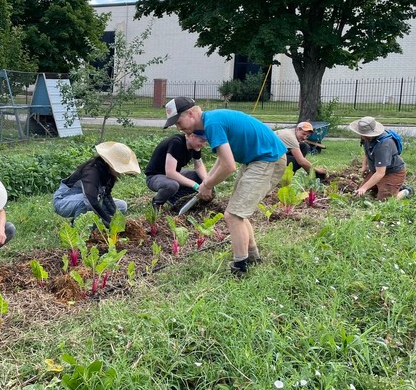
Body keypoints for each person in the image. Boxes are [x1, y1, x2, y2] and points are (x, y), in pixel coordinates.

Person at [163, 97, 287, 276]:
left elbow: (229, 166)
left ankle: (240, 267)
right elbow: (222, 160)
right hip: (255, 160)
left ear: (190, 114)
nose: (179, 128)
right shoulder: (211, 121)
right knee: (238, 212)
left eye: (178, 122)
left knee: (233, 215)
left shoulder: (212, 123)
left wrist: (207, 185)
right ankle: (252, 257)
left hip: (267, 159)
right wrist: (206, 183)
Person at [53, 142, 140, 225]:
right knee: (86, 203)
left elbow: (106, 195)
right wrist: (109, 221)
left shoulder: (108, 173)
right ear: (110, 163)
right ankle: (78, 225)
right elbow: (91, 201)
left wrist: (116, 217)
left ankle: (93, 222)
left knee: (122, 206)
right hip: (63, 200)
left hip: (89, 199)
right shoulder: (91, 171)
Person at [349, 116, 413, 200]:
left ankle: (406, 191)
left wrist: (364, 188)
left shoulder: (383, 144)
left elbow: (380, 173)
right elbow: (367, 151)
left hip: (392, 173)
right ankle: (390, 187)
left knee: (384, 201)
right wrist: (364, 166)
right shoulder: (366, 137)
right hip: (376, 171)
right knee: (363, 196)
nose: (361, 136)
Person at [145, 130, 208, 209]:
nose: (203, 144)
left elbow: (198, 165)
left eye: (205, 142)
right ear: (192, 136)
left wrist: (207, 182)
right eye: (202, 141)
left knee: (199, 177)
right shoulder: (176, 143)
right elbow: (170, 173)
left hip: (174, 173)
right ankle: (157, 203)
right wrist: (194, 185)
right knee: (172, 185)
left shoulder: (195, 146)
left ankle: (174, 199)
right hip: (155, 176)